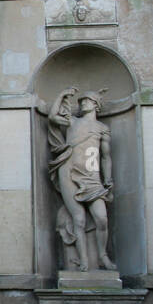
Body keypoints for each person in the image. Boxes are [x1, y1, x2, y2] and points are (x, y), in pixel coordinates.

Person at [47, 86, 116, 272]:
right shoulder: (72, 121)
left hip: (92, 176)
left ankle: (103, 256)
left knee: (102, 218)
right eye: (81, 101)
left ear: (96, 105)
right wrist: (61, 94)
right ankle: (84, 260)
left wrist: (108, 178)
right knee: (79, 219)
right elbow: (53, 117)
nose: (82, 103)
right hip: (68, 171)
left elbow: (105, 157)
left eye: (87, 100)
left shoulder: (102, 128)